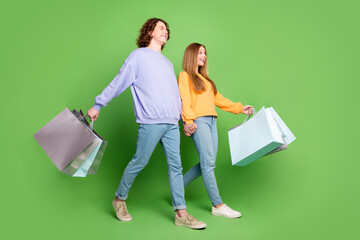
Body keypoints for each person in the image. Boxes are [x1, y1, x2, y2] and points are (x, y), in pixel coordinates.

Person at [87, 19, 206, 229]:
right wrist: (98, 104)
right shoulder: (138, 57)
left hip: (171, 123)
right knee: (139, 161)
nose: (166, 31)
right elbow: (119, 81)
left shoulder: (167, 63)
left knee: (176, 167)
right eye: (161, 28)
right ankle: (119, 199)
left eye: (167, 29)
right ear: (150, 31)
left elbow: (174, 96)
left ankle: (181, 213)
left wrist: (185, 120)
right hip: (150, 122)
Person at [178, 43, 253, 218]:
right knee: (208, 163)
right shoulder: (185, 76)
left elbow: (219, 99)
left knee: (208, 162)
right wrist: (188, 121)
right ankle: (217, 205)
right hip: (198, 121)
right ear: (191, 55)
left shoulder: (207, 80)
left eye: (205, 53)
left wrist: (240, 108)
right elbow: (185, 100)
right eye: (200, 53)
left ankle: (177, 185)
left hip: (212, 121)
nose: (204, 56)